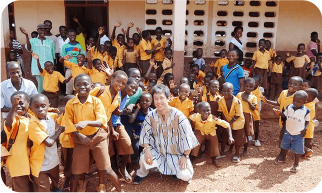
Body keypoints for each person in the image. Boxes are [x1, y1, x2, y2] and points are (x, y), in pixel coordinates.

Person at [64, 74, 122, 192]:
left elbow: (102, 120)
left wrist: (87, 122)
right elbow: (68, 122)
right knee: (76, 173)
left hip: (98, 137)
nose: (82, 87)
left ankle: (121, 191)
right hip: (80, 140)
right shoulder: (70, 103)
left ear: (91, 86)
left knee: (107, 169)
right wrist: (80, 136)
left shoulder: (96, 101)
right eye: (78, 85)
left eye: (85, 84)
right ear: (74, 87)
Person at [133, 84, 199, 184]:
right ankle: (142, 173)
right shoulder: (150, 115)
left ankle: (171, 169)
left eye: (161, 98)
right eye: (156, 99)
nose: (159, 102)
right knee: (143, 158)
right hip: (157, 151)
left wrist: (185, 156)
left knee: (184, 175)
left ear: (168, 98)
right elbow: (145, 135)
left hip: (176, 153)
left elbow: (188, 137)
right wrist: (147, 149)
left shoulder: (179, 116)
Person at [28, 94, 64, 192]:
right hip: (40, 164)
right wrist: (60, 130)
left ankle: (55, 188)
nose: (40, 109)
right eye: (36, 107)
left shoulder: (51, 117)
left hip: (53, 160)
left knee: (55, 180)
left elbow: (60, 115)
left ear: (49, 106)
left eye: (43, 106)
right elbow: (48, 142)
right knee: (44, 189)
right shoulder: (33, 124)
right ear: (30, 108)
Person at [274, 90, 310, 173]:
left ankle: (296, 164)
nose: (295, 102)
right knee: (284, 145)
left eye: (298, 101)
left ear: (305, 101)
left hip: (298, 133)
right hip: (288, 131)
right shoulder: (289, 107)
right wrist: (279, 113)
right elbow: (285, 115)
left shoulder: (306, 111)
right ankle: (283, 157)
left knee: (297, 149)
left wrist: (305, 129)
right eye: (294, 100)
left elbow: (307, 121)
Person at [189, 102, 234, 167]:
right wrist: (190, 129)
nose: (206, 112)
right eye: (203, 110)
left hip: (210, 132)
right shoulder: (196, 116)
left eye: (208, 110)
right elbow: (189, 119)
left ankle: (214, 159)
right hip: (200, 131)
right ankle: (193, 159)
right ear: (199, 111)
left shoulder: (213, 118)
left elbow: (227, 125)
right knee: (196, 141)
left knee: (214, 142)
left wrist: (230, 136)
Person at [3, 91, 31, 192]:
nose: (18, 106)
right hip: (18, 161)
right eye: (15, 103)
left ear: (29, 104)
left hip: (30, 160)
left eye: (21, 103)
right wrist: (13, 108)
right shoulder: (14, 119)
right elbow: (8, 124)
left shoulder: (31, 118)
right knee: (21, 187)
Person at [20, 25, 55, 93]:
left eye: (44, 30)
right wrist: (27, 36)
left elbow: (53, 55)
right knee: (41, 84)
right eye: (41, 30)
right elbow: (29, 48)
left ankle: (45, 98)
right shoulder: (33, 40)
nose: (43, 31)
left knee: (48, 84)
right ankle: (40, 98)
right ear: (38, 31)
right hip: (38, 66)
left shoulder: (50, 42)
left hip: (48, 67)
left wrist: (53, 67)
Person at [218, 82, 245, 162]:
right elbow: (221, 111)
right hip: (227, 121)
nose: (226, 93)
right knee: (225, 136)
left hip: (237, 121)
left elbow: (238, 115)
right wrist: (224, 121)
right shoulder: (220, 100)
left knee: (237, 138)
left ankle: (237, 154)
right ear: (221, 91)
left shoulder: (237, 101)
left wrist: (229, 123)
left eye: (228, 91)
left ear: (232, 91)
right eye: (224, 91)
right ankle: (222, 152)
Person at [128, 93, 153, 167]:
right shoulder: (137, 111)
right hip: (137, 134)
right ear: (139, 102)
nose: (144, 102)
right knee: (135, 147)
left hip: (148, 136)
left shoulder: (152, 112)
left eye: (147, 101)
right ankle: (135, 162)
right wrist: (137, 109)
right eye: (142, 100)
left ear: (151, 102)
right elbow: (130, 121)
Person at [59, 29, 85, 95]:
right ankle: (69, 100)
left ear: (76, 36)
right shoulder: (65, 46)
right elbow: (63, 59)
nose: (72, 37)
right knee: (69, 86)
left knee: (78, 85)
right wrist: (64, 68)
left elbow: (83, 57)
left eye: (74, 35)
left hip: (78, 69)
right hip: (69, 68)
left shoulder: (79, 46)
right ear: (68, 36)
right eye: (70, 35)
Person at [236, 78, 257, 155]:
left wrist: (247, 101)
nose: (248, 88)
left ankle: (245, 149)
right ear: (244, 86)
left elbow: (253, 108)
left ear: (253, 87)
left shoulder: (253, 97)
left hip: (247, 116)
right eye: (247, 86)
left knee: (247, 132)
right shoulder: (239, 95)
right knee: (239, 131)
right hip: (239, 115)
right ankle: (237, 150)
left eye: (251, 86)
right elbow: (235, 105)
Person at [58, 95, 74, 191]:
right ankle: (67, 181)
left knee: (72, 162)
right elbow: (61, 127)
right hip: (67, 143)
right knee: (68, 162)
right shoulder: (64, 115)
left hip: (73, 143)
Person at [303, 88, 318, 158]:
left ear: (309, 97)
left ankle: (308, 151)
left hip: (307, 126)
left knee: (307, 140)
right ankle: (307, 150)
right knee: (307, 139)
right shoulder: (311, 103)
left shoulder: (307, 106)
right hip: (309, 125)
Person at [251, 75, 264, 147]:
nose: (253, 83)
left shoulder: (260, 90)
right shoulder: (248, 89)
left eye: (255, 82)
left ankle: (256, 139)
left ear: (259, 83)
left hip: (256, 110)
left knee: (256, 124)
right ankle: (249, 135)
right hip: (247, 109)